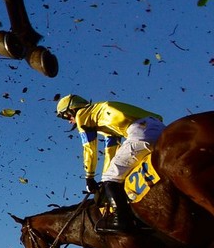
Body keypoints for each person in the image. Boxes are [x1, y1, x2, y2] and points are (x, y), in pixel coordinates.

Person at [56, 94, 167, 234]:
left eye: (65, 116)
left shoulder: (82, 115)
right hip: (160, 128)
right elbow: (111, 151)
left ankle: (121, 220)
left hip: (140, 132)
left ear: (71, 110)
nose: (69, 121)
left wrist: (89, 177)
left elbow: (90, 148)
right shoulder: (101, 116)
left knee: (110, 179)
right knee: (111, 176)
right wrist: (104, 179)